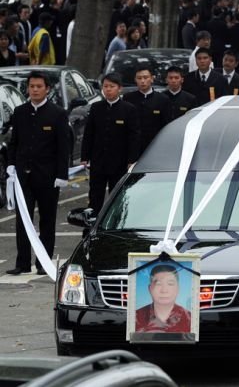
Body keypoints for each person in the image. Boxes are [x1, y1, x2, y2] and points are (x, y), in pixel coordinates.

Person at [6, 71, 70, 275]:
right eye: (31, 86)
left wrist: (62, 175)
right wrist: (11, 165)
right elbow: (14, 142)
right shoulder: (20, 112)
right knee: (23, 219)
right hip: (23, 176)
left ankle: (43, 262)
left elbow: (63, 148)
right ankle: (22, 262)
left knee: (47, 219)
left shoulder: (57, 113)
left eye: (39, 86)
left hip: (48, 176)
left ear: (47, 89)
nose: (34, 90)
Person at [80, 73, 140, 216]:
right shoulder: (96, 108)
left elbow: (134, 136)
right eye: (105, 86)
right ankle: (91, 228)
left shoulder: (129, 109)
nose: (108, 90)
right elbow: (89, 133)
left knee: (117, 196)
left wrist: (132, 160)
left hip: (119, 161)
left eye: (112, 87)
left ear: (119, 89)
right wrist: (85, 156)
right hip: (98, 161)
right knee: (95, 197)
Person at [123, 67, 172, 156]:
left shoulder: (163, 99)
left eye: (145, 77)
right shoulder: (128, 98)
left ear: (152, 79)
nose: (142, 81)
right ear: (135, 80)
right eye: (139, 78)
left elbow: (166, 124)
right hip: (132, 145)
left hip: (155, 144)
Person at [135, 264, 192, 333]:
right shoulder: (136, 318)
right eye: (158, 284)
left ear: (178, 288)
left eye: (170, 284)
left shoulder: (190, 319)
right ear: (150, 289)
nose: (164, 290)